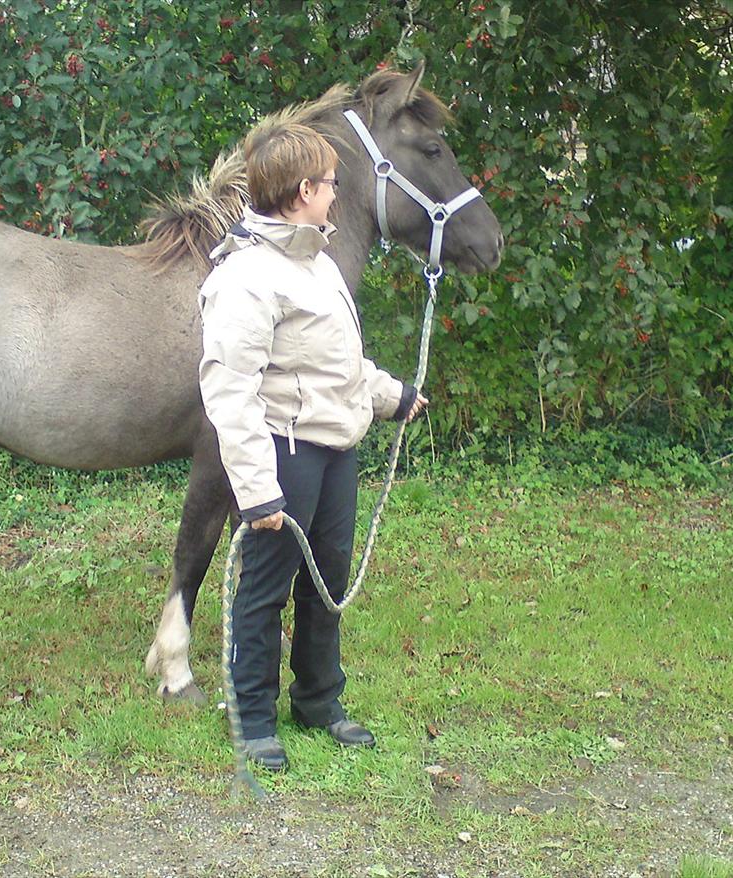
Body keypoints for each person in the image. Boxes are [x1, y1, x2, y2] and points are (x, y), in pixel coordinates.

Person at [198, 120, 427, 771]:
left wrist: (391, 396)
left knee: (326, 584)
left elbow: (338, 363)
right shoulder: (245, 278)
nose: (336, 193)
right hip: (283, 455)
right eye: (329, 183)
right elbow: (229, 389)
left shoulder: (317, 263)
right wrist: (256, 488)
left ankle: (319, 701)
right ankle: (251, 716)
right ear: (302, 191)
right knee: (265, 590)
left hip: (336, 449)